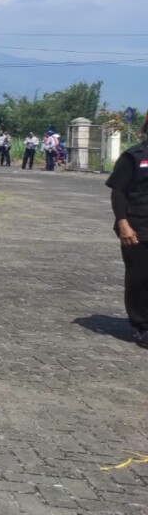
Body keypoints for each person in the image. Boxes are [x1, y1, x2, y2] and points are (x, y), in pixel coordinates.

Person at [105, 111, 148, 348]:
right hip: (137, 227)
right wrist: (123, 223)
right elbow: (118, 191)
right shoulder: (134, 156)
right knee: (139, 278)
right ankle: (142, 327)